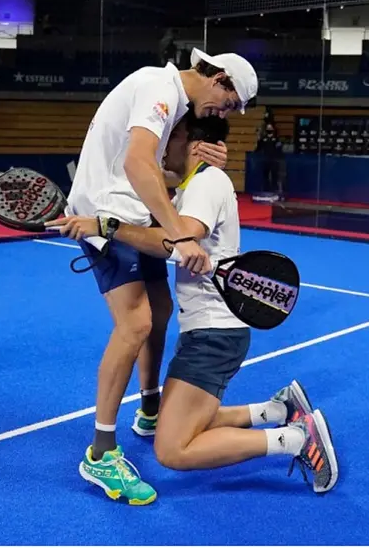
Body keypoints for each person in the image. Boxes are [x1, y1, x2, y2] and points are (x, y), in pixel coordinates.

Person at [52, 110, 339, 495]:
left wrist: (105, 227)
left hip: (214, 337)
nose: (158, 147)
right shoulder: (191, 188)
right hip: (207, 332)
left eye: (167, 138)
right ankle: (276, 411)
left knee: (173, 450)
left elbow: (176, 239)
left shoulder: (207, 184)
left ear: (188, 141)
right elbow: (162, 216)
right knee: (184, 418)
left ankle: (295, 439)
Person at [61, 49, 259, 505]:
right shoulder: (158, 86)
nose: (223, 112)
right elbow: (136, 164)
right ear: (221, 79)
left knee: (162, 309)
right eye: (228, 104)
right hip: (107, 215)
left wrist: (198, 159)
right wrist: (177, 234)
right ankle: (101, 452)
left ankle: (150, 408)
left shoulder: (175, 103)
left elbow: (162, 169)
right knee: (135, 325)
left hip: (133, 214)